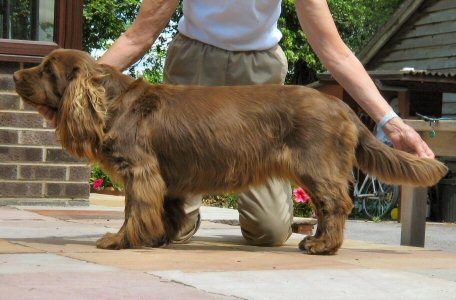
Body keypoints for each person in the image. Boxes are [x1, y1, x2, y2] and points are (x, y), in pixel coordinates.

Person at [37, 0, 435, 246]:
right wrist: (80, 93)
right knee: (169, 193)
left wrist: (390, 121)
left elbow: (334, 50)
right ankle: (176, 218)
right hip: (194, 65)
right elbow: (139, 35)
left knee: (269, 232)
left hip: (258, 71)